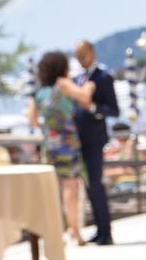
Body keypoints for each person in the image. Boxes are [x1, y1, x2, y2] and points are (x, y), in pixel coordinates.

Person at [28, 51, 96, 245]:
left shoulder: (38, 93)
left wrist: (49, 126)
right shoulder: (63, 84)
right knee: (70, 187)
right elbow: (83, 97)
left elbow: (33, 120)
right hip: (67, 143)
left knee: (52, 189)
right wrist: (90, 86)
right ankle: (74, 230)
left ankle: (55, 232)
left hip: (49, 143)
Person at [73, 40, 119, 244]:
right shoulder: (76, 79)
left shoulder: (103, 76)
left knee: (95, 183)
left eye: (83, 55)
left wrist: (93, 108)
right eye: (77, 56)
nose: (80, 60)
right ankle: (99, 229)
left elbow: (114, 110)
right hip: (78, 140)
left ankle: (105, 231)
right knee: (89, 185)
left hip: (95, 139)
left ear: (92, 53)